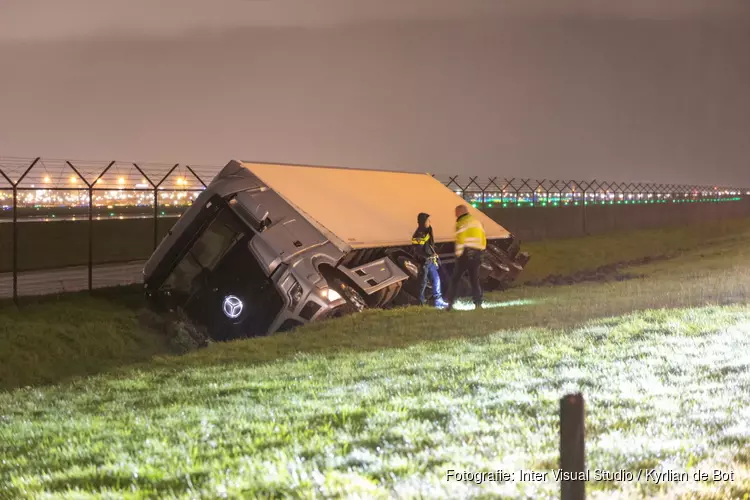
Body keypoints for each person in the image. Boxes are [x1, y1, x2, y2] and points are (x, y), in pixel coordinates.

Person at [446, 204, 487, 311]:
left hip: (465, 254)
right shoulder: (476, 222)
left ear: (460, 212)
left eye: (455, 213)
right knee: (474, 280)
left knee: (455, 279)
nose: (455, 215)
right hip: (477, 253)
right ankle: (478, 304)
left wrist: (458, 255)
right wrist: (480, 250)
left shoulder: (461, 223)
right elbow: (483, 237)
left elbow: (460, 240)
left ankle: (450, 304)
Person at [411, 213, 448, 308]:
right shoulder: (418, 234)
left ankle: (438, 300)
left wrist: (433, 255)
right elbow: (418, 250)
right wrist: (427, 257)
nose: (429, 222)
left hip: (430, 261)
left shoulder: (427, 231)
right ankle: (421, 302)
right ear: (423, 221)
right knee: (422, 283)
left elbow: (429, 245)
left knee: (436, 279)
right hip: (424, 262)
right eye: (428, 220)